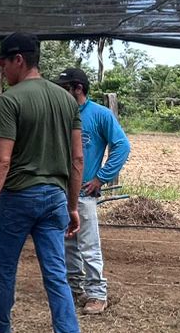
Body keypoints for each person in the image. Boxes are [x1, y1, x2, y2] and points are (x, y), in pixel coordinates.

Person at [0, 33, 88, 333]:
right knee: (57, 279)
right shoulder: (67, 101)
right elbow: (77, 159)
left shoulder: (11, 100)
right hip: (54, 199)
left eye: (4, 63)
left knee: (4, 269)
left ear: (19, 59)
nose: (2, 70)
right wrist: (71, 205)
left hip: (18, 198)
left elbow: (2, 160)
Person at [53, 67, 131, 314]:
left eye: (64, 89)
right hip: (58, 189)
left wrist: (101, 178)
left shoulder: (100, 115)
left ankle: (97, 293)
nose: (59, 93)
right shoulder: (58, 114)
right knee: (67, 243)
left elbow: (122, 146)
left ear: (78, 89)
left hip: (84, 191)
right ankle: (74, 289)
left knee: (88, 244)